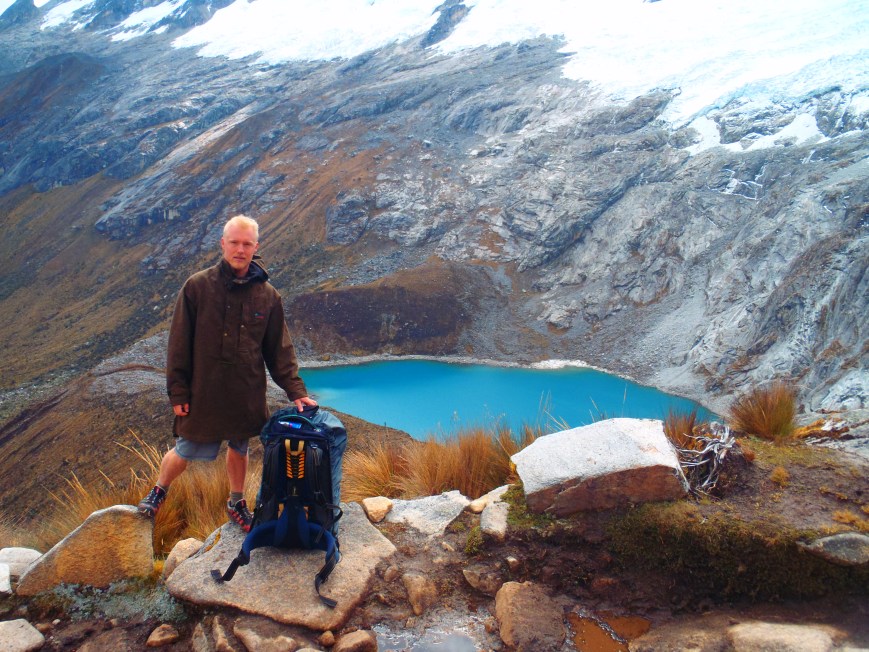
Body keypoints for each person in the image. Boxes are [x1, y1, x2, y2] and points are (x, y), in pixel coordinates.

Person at [137, 215, 317, 531]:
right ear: (223, 244)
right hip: (203, 390)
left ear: (256, 247)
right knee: (186, 448)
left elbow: (279, 350)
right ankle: (159, 490)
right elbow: (179, 343)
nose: (240, 249)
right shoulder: (197, 287)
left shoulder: (268, 295)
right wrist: (178, 391)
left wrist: (296, 391)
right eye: (234, 242)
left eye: (247, 244)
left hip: (245, 391)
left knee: (240, 446)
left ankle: (236, 502)